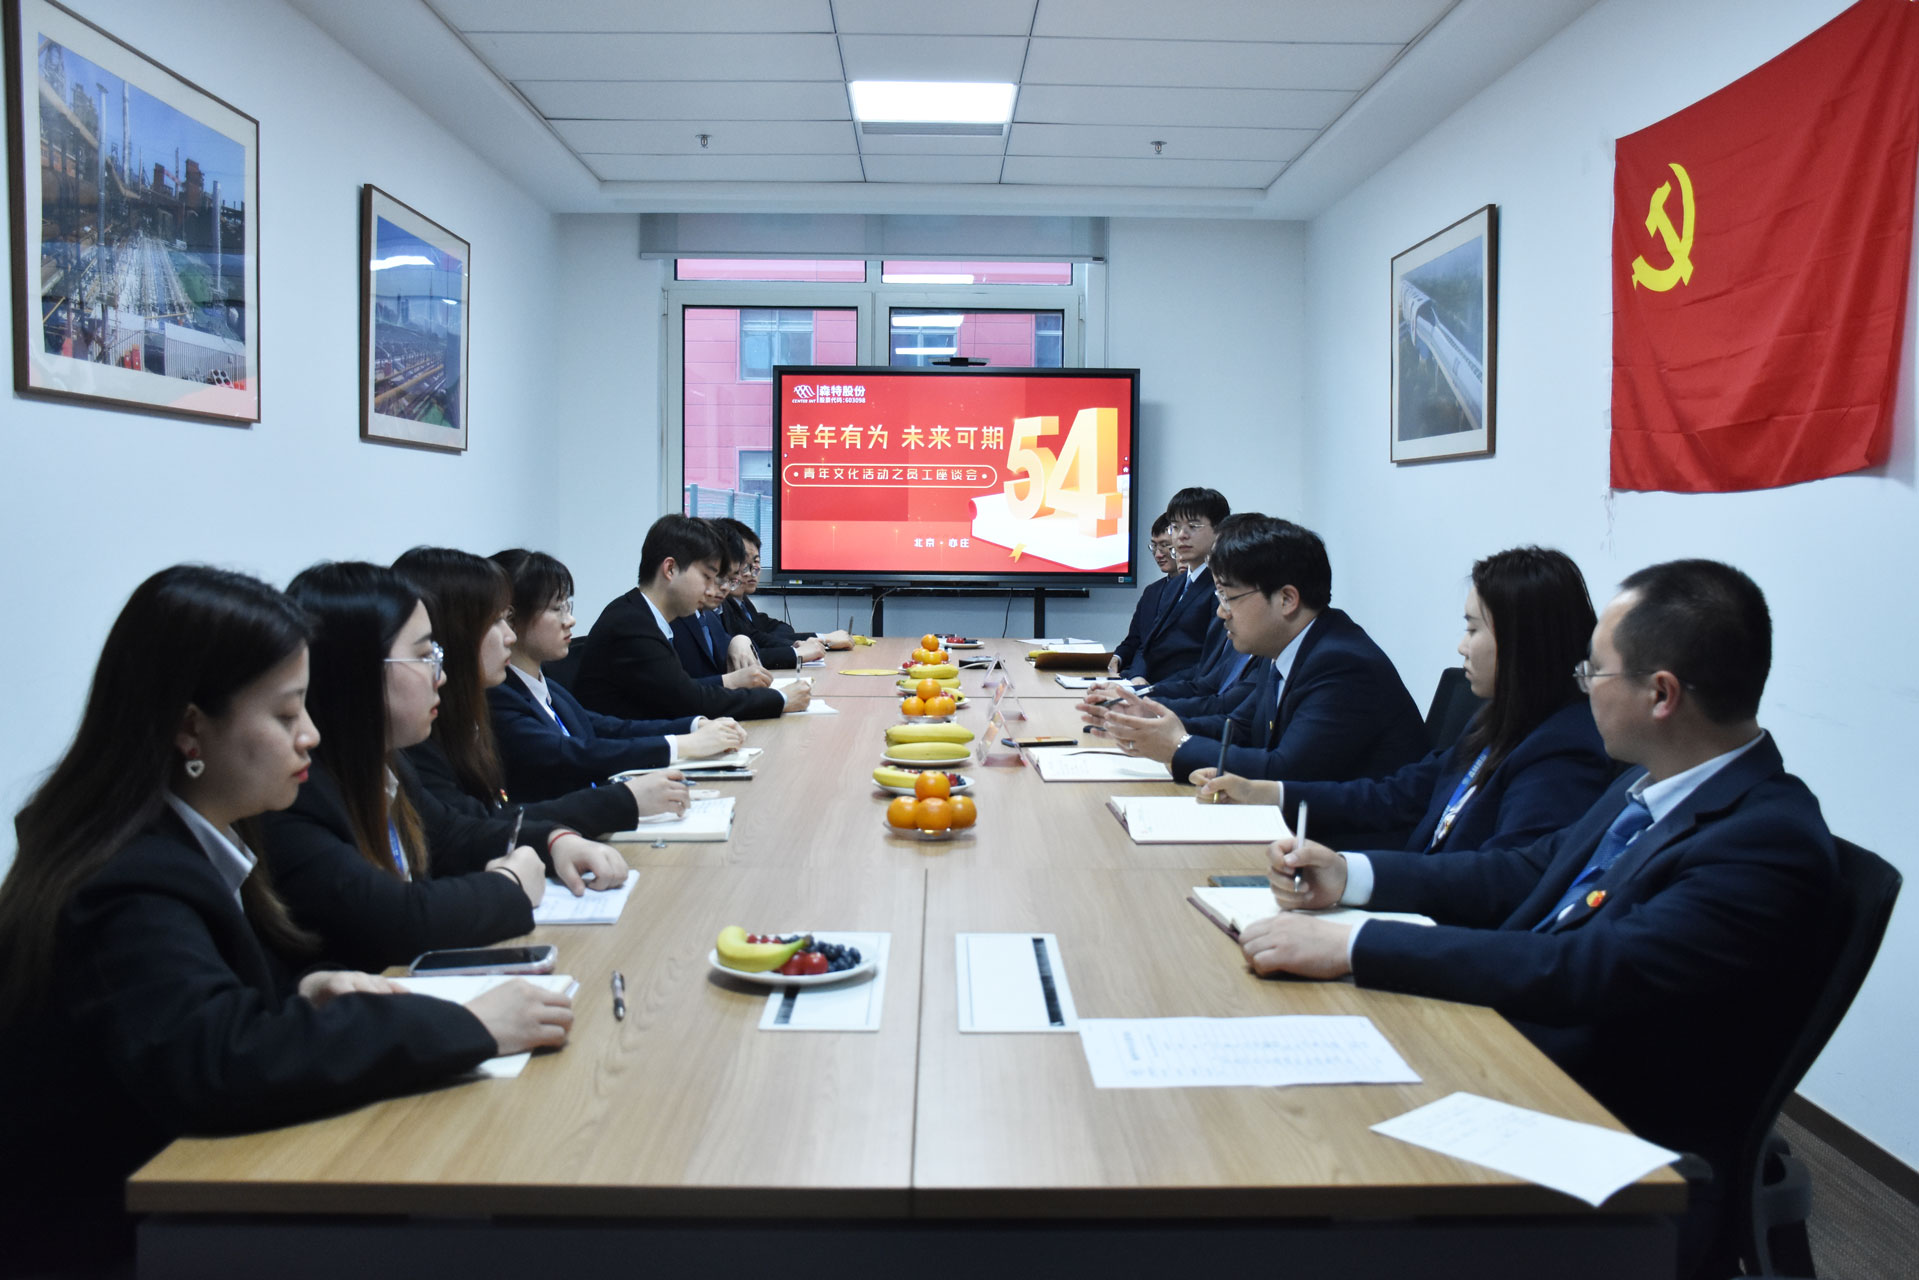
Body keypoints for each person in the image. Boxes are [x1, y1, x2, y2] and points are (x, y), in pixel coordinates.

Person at [1244, 559, 1837, 1275]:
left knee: (1295, 1162)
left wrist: (1355, 946)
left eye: (1595, 672)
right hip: (1515, 1049)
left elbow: (1587, 968)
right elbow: (1526, 868)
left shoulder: (1763, 840)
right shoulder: (1648, 784)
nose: (1581, 687)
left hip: (1597, 1128)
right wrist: (1352, 875)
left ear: (1661, 695)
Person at [0, 567, 570, 1273]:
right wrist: (471, 1026)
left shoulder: (198, 836)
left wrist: (302, 990)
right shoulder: (128, 879)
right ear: (190, 729)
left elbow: (205, 1004)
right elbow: (219, 1059)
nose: (310, 736)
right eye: (285, 715)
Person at [1194, 546, 1611, 855]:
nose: (1462, 647)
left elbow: (1499, 878)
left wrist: (1353, 875)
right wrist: (1267, 793)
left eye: (1472, 629)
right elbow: (1397, 793)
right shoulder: (1499, 717)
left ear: (1524, 640)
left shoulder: (1563, 749)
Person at [257, 562, 551, 972]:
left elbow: (452, 835)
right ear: (357, 671)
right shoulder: (297, 793)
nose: (440, 676)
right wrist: (510, 885)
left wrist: (556, 839)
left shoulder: (387, 762)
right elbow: (397, 919)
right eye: (424, 656)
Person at [1092, 515, 1427, 844]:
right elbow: (1239, 726)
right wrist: (1152, 721)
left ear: (1286, 599)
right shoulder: (1286, 647)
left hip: (1349, 848)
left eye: (1227, 597)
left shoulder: (1341, 663)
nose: (1221, 612)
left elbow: (1285, 772)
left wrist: (1178, 745)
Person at [392, 547, 694, 886]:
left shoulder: (501, 702)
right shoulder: (430, 734)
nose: (509, 635)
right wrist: (626, 799)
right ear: (455, 633)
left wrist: (554, 838)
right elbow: (474, 828)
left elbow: (598, 730)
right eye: (496, 621)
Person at [488, 548, 747, 802]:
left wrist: (694, 726)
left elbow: (608, 728)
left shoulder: (548, 688)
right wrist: (684, 745)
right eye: (557, 609)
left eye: (568, 607)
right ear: (511, 618)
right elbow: (573, 753)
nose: (570, 620)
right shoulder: (499, 698)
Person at [574, 514, 812, 721]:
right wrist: (780, 699)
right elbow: (688, 699)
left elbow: (682, 691)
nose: (711, 589)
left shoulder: (647, 616)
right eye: (707, 577)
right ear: (670, 569)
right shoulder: (631, 624)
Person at [1116, 486, 1229, 684]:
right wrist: (1137, 677)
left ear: (1219, 530)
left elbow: (1208, 665)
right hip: (1146, 686)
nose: (1181, 535)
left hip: (1180, 693)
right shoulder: (1174, 585)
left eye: (1193, 526)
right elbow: (1149, 645)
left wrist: (1150, 691)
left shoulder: (1222, 587)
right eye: (1175, 527)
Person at [712, 516, 851, 665]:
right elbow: (746, 649)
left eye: (756, 562)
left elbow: (768, 633)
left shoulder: (741, 602)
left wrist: (807, 644)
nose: (749, 572)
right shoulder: (720, 606)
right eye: (742, 564)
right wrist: (803, 648)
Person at [1109, 512, 1180, 675]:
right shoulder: (1151, 592)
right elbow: (1134, 641)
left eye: (1165, 545)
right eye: (1154, 546)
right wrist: (1116, 658)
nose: (1158, 554)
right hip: (1135, 675)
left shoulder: (1199, 591)